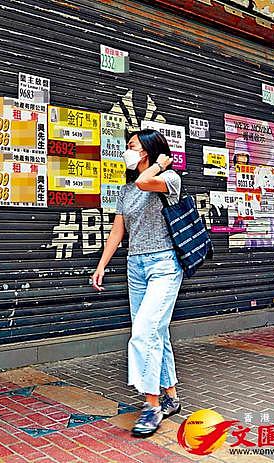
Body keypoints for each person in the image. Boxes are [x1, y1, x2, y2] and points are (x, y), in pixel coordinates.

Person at [91, 129, 183, 438]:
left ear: (147, 150)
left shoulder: (169, 180)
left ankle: (152, 406)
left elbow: (146, 182)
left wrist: (160, 164)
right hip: (136, 266)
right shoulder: (126, 190)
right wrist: (101, 266)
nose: (127, 151)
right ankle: (170, 396)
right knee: (155, 332)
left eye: (131, 146)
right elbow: (118, 232)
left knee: (143, 332)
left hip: (165, 264)